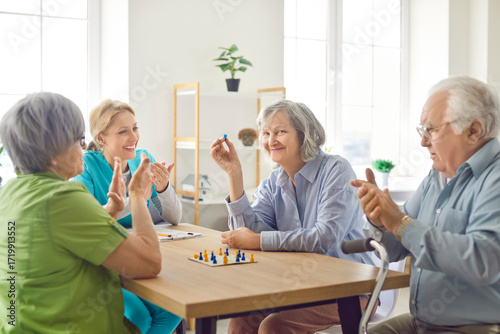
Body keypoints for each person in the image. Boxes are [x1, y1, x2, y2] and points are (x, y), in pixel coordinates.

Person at [210, 99, 375, 334]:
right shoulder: (273, 182)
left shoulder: (336, 170)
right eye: (266, 133)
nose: (270, 140)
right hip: (299, 286)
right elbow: (244, 235)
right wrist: (234, 174)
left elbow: (324, 239)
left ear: (304, 134)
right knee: (241, 321)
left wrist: (257, 241)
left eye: (280, 131)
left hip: (350, 290)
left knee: (273, 327)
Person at [0, 92, 161, 333]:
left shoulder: (9, 193)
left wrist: (110, 211)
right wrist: (137, 196)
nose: (84, 148)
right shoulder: (62, 197)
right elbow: (149, 263)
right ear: (55, 152)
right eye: (79, 140)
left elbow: (59, 240)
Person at [351, 76, 500, 333]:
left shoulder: (494, 178)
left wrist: (399, 221)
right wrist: (380, 219)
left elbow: (483, 261)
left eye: (431, 129)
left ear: (473, 131)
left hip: (473, 327)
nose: (423, 141)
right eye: (422, 131)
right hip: (421, 323)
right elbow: (396, 249)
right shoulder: (437, 176)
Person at [71, 99, 182, 333]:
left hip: (134, 258)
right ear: (101, 138)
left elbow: (174, 218)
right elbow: (91, 222)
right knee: (139, 316)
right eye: (123, 131)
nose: (134, 137)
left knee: (171, 312)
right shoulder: (86, 166)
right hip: (101, 263)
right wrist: (136, 197)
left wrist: (163, 189)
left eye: (135, 128)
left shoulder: (143, 158)